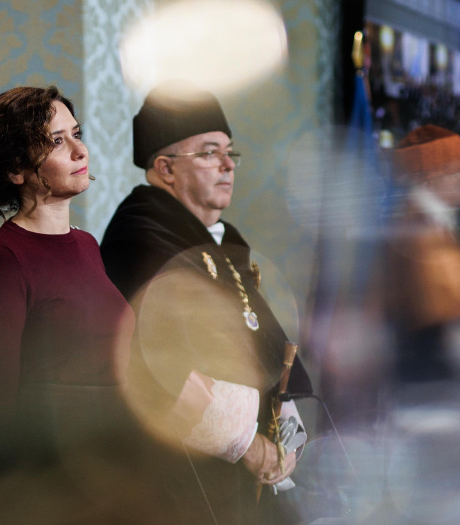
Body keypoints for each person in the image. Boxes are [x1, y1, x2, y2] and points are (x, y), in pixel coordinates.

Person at [100, 80, 312, 524]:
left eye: (229, 152)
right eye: (209, 152)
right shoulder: (139, 234)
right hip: (182, 473)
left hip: (252, 468)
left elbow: (260, 332)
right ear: (165, 167)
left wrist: (284, 421)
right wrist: (250, 448)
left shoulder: (226, 238)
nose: (228, 165)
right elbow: (161, 365)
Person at [0, 86, 135, 454]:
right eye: (55, 141)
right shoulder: (4, 259)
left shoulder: (85, 244)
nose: (79, 150)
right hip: (56, 473)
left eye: (76, 134)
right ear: (15, 169)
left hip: (114, 460)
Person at [385, 124, 460, 385]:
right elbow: (438, 310)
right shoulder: (418, 226)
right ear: (429, 177)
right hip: (430, 371)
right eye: (456, 169)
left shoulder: (436, 222)